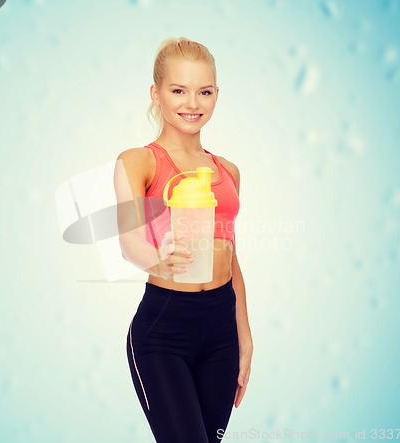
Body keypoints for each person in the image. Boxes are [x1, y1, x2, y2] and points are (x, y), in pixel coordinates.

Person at [114, 37, 253, 443]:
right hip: (164, 330)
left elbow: (232, 257)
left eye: (204, 91)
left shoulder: (228, 171)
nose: (192, 102)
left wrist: (244, 335)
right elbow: (128, 242)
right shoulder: (136, 161)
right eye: (178, 90)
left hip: (222, 331)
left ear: (216, 95)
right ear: (155, 94)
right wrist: (156, 258)